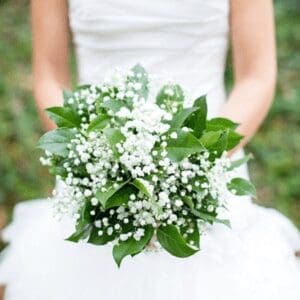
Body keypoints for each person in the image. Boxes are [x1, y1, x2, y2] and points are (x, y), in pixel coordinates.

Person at [0, 0, 299, 299]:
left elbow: (256, 77)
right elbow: (50, 76)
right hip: (97, 175)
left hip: (206, 167)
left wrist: (197, 160)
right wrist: (96, 158)